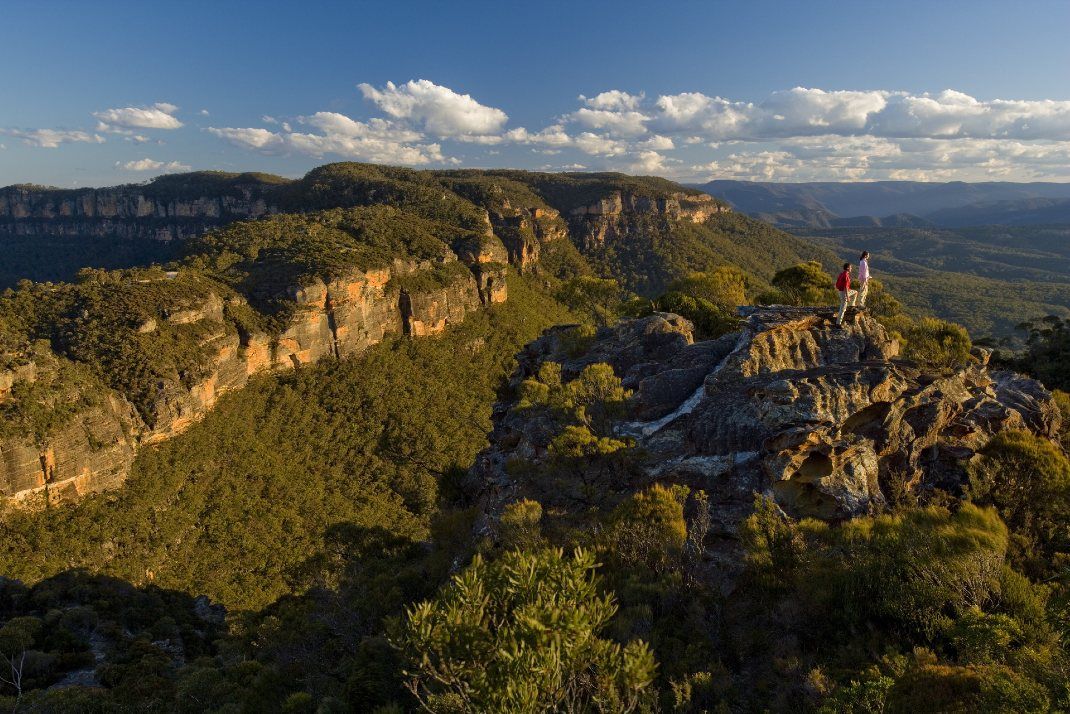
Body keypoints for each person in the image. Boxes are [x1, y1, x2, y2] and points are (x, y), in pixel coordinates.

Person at [835, 262, 856, 326]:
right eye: (850, 267)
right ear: (847, 268)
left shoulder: (842, 274)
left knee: (855, 292)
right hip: (844, 292)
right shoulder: (846, 275)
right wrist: (847, 297)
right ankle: (838, 323)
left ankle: (852, 306)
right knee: (843, 309)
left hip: (840, 291)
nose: (851, 268)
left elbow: (837, 284)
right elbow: (846, 287)